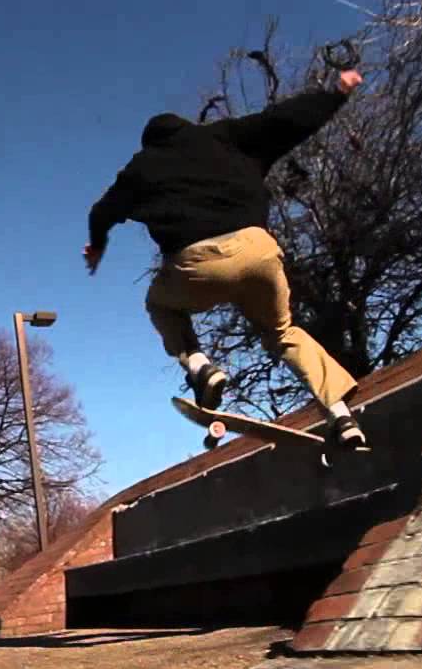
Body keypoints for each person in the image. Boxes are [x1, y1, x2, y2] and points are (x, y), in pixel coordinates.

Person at [83, 66, 371, 450]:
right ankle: (341, 416)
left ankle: (200, 367)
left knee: (160, 304)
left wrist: (97, 245)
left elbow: (101, 211)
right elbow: (285, 119)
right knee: (284, 333)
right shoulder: (225, 136)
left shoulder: (142, 168)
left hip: (197, 265)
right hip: (258, 252)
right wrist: (335, 93)